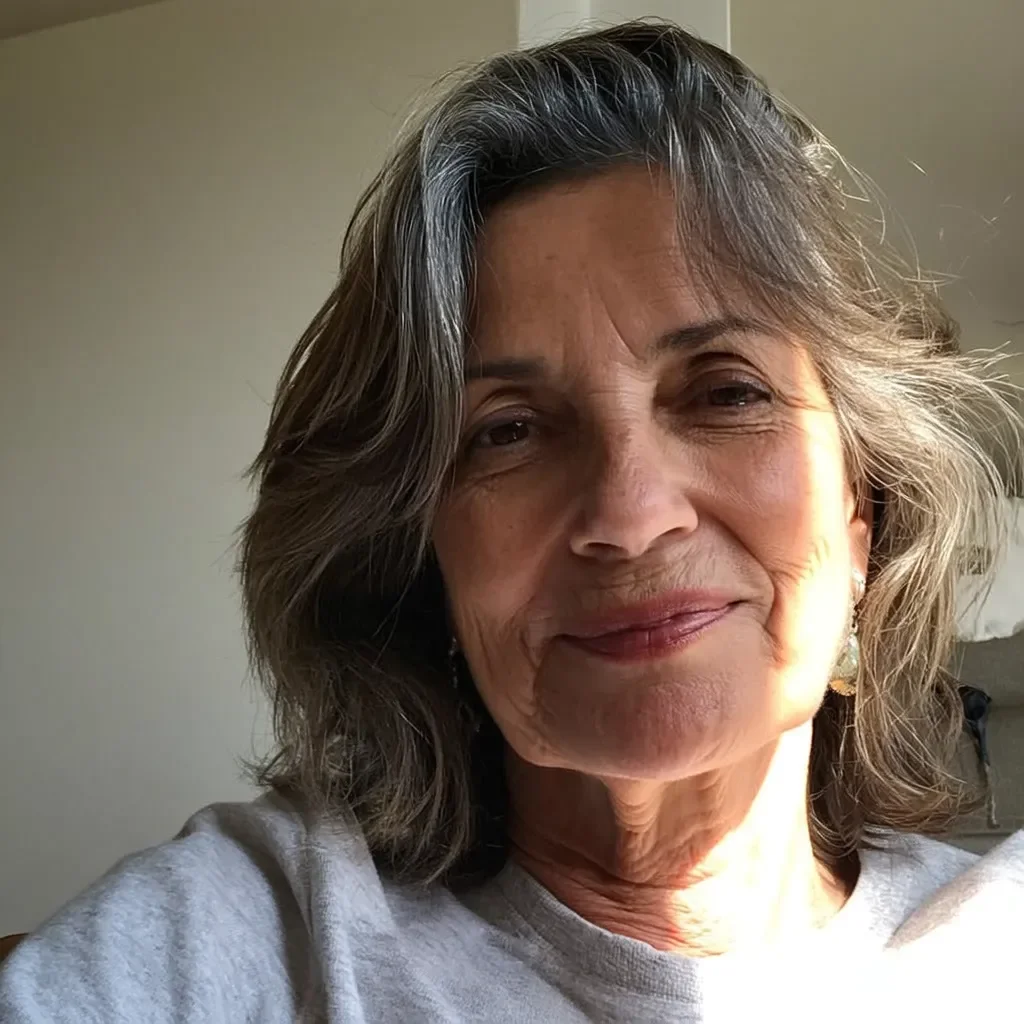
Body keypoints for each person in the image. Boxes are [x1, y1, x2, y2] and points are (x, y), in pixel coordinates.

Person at [3, 21, 1023, 1024]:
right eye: (508, 431)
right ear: (423, 555)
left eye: (724, 393)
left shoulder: (991, 946)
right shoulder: (257, 932)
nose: (629, 516)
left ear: (861, 510)